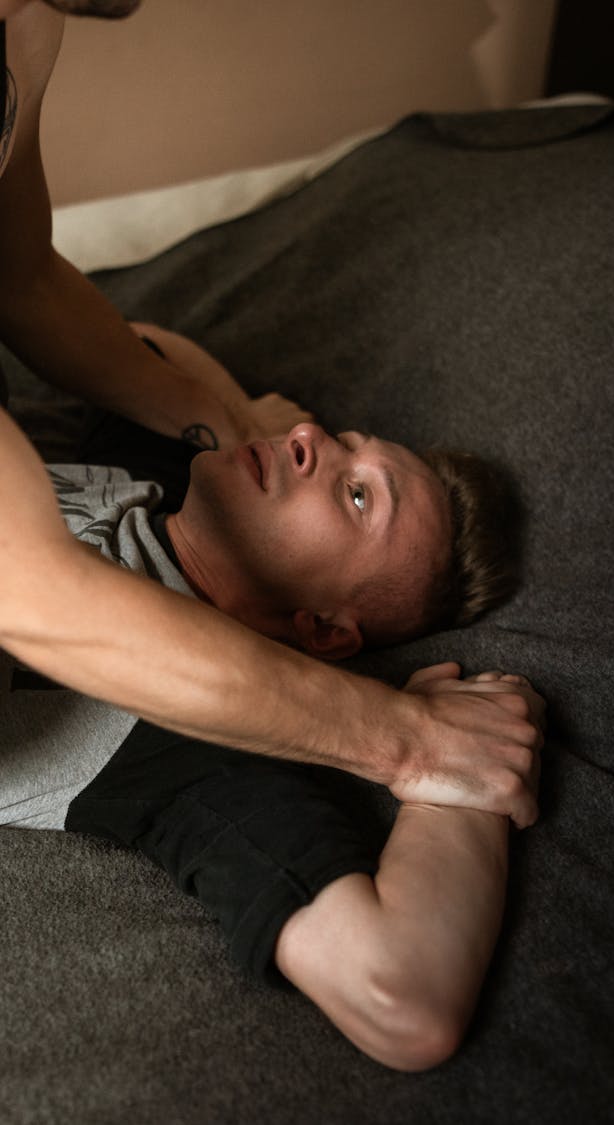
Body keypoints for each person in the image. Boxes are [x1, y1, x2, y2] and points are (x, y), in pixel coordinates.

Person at [1, 0, 538, 820]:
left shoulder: (27, 20)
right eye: (358, 485)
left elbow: (22, 277)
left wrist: (230, 421)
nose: (312, 439)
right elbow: (33, 593)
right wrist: (412, 739)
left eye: (355, 487)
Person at [3, 320, 545, 1071]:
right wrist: (239, 411)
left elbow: (404, 999)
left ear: (322, 629)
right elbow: (137, 342)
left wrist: (456, 775)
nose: (310, 438)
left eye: (357, 496)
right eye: (339, 439)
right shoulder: (162, 481)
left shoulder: (196, 747)